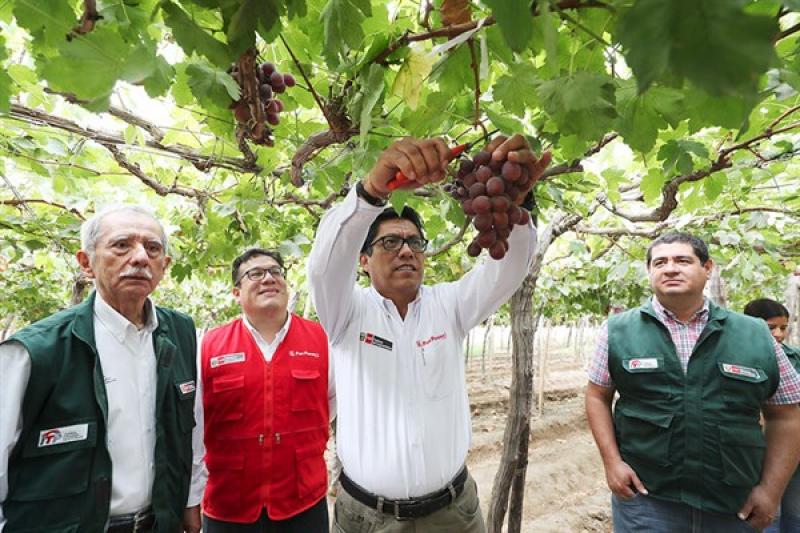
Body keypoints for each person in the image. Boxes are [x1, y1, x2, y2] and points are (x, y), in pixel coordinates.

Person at [307, 134, 550, 532]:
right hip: (366, 519)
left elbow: (507, 270)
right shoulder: (346, 312)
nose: (406, 250)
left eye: (415, 243)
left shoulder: (449, 306)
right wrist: (372, 192)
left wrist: (518, 209)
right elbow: (323, 268)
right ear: (364, 261)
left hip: (453, 515)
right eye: (391, 242)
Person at [0, 205, 202, 532]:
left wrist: (190, 499)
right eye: (121, 245)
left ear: (164, 266)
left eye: (153, 249)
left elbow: (190, 429)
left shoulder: (179, 333)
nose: (139, 258)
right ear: (86, 263)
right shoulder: (36, 351)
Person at [585, 232, 800, 533]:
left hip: (734, 502)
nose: (670, 268)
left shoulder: (755, 334)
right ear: (650, 272)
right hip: (649, 500)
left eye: (682, 260)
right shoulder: (618, 330)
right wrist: (612, 462)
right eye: (660, 262)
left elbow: (787, 414)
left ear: (707, 268)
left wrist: (771, 491)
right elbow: (597, 395)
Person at [195, 248, 334, 533]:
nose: (268, 278)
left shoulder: (321, 340)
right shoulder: (210, 346)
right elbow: (195, 423)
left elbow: (330, 404)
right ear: (236, 293)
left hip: (302, 502)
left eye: (275, 272)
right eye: (255, 274)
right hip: (229, 505)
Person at [744, 298, 800, 533]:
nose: (778, 334)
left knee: (795, 513)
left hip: (794, 451)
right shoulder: (741, 357)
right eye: (771, 327)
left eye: (783, 327)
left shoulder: (795, 357)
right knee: (767, 514)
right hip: (757, 453)